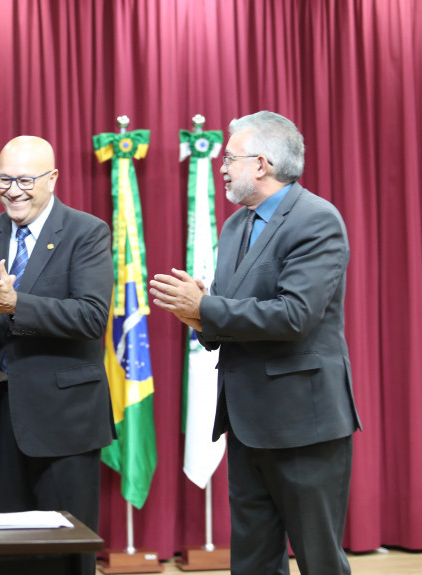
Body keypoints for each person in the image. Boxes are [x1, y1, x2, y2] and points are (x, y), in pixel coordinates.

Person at [149, 111, 361, 575]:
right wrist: (197, 315)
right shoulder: (235, 226)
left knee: (319, 559)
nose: (221, 167)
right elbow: (232, 314)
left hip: (304, 424)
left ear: (261, 164)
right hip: (246, 422)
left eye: (229, 158)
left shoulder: (316, 219)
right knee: (252, 562)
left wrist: (205, 309)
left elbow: (295, 316)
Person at [0, 136, 114, 575]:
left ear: (53, 179)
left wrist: (15, 304)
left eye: (25, 180)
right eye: (4, 179)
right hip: (2, 416)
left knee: (66, 552)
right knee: (14, 552)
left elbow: (92, 317)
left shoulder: (86, 231)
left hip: (67, 420)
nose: (13, 190)